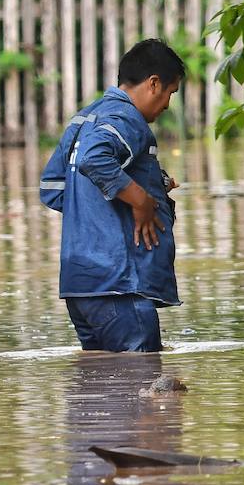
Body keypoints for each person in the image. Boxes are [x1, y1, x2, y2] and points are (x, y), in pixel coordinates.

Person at [38, 38, 185, 352]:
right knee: (143, 384)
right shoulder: (126, 118)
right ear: (153, 83)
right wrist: (141, 201)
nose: (167, 105)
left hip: (81, 289)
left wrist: (150, 186)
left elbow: (54, 188)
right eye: (170, 93)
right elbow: (95, 159)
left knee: (100, 392)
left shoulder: (84, 119)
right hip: (120, 286)